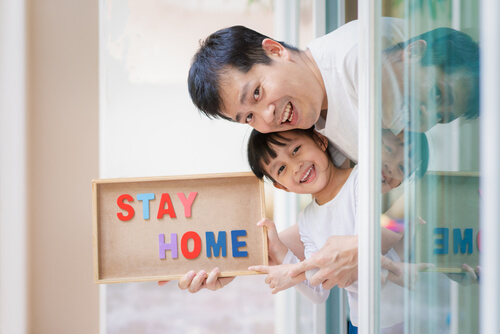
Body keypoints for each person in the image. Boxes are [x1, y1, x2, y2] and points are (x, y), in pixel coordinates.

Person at [177, 20, 478, 292]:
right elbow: (335, 212)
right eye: (248, 117)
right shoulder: (314, 119)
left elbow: (419, 187)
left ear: (274, 50)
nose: (267, 117)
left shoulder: (360, 63)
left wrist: (368, 245)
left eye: (257, 93)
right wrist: (235, 259)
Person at [245, 126, 430, 332]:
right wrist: (281, 253)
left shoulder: (364, 180)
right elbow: (318, 291)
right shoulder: (307, 219)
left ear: (320, 139)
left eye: (296, 150)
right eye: (281, 169)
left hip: (403, 320)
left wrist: (291, 272)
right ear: (282, 187)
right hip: (365, 324)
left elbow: (363, 269)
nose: (295, 166)